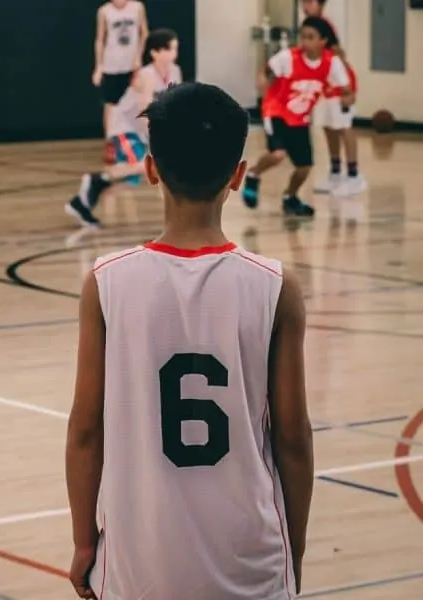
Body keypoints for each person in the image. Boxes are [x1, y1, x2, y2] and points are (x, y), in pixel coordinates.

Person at [66, 82, 314, 600]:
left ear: (152, 169)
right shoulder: (276, 286)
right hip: (251, 565)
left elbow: (86, 432)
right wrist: (296, 549)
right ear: (238, 174)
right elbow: (293, 439)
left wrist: (84, 544)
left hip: (139, 567)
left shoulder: (106, 282)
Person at [66, 28, 182, 228]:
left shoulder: (175, 72)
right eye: (170, 49)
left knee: (130, 179)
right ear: (155, 53)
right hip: (124, 126)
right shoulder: (146, 75)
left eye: (175, 49)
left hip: (141, 130)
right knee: (148, 165)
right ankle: (96, 180)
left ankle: (82, 201)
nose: (174, 54)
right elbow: (144, 110)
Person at [242, 16, 353, 217]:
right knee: (278, 154)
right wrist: (262, 81)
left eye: (311, 37)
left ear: (323, 41)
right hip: (276, 111)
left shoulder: (332, 63)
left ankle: (290, 197)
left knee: (304, 167)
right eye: (303, 37)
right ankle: (253, 174)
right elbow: (265, 69)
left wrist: (347, 98)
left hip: (300, 118)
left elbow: (346, 89)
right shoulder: (288, 57)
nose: (305, 42)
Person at [301, 0, 366, 196]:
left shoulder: (324, 26)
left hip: (340, 82)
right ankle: (335, 172)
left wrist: (348, 90)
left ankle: (354, 175)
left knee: (344, 126)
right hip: (325, 84)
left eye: (309, 2)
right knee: (329, 126)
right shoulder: (309, 26)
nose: (305, 6)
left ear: (320, 4)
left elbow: (339, 54)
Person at [92, 0, 149, 159]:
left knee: (136, 102)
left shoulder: (137, 7)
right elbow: (100, 39)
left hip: (132, 65)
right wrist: (99, 66)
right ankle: (110, 143)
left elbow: (144, 32)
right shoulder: (104, 11)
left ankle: (137, 142)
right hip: (111, 65)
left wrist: (139, 56)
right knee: (111, 105)